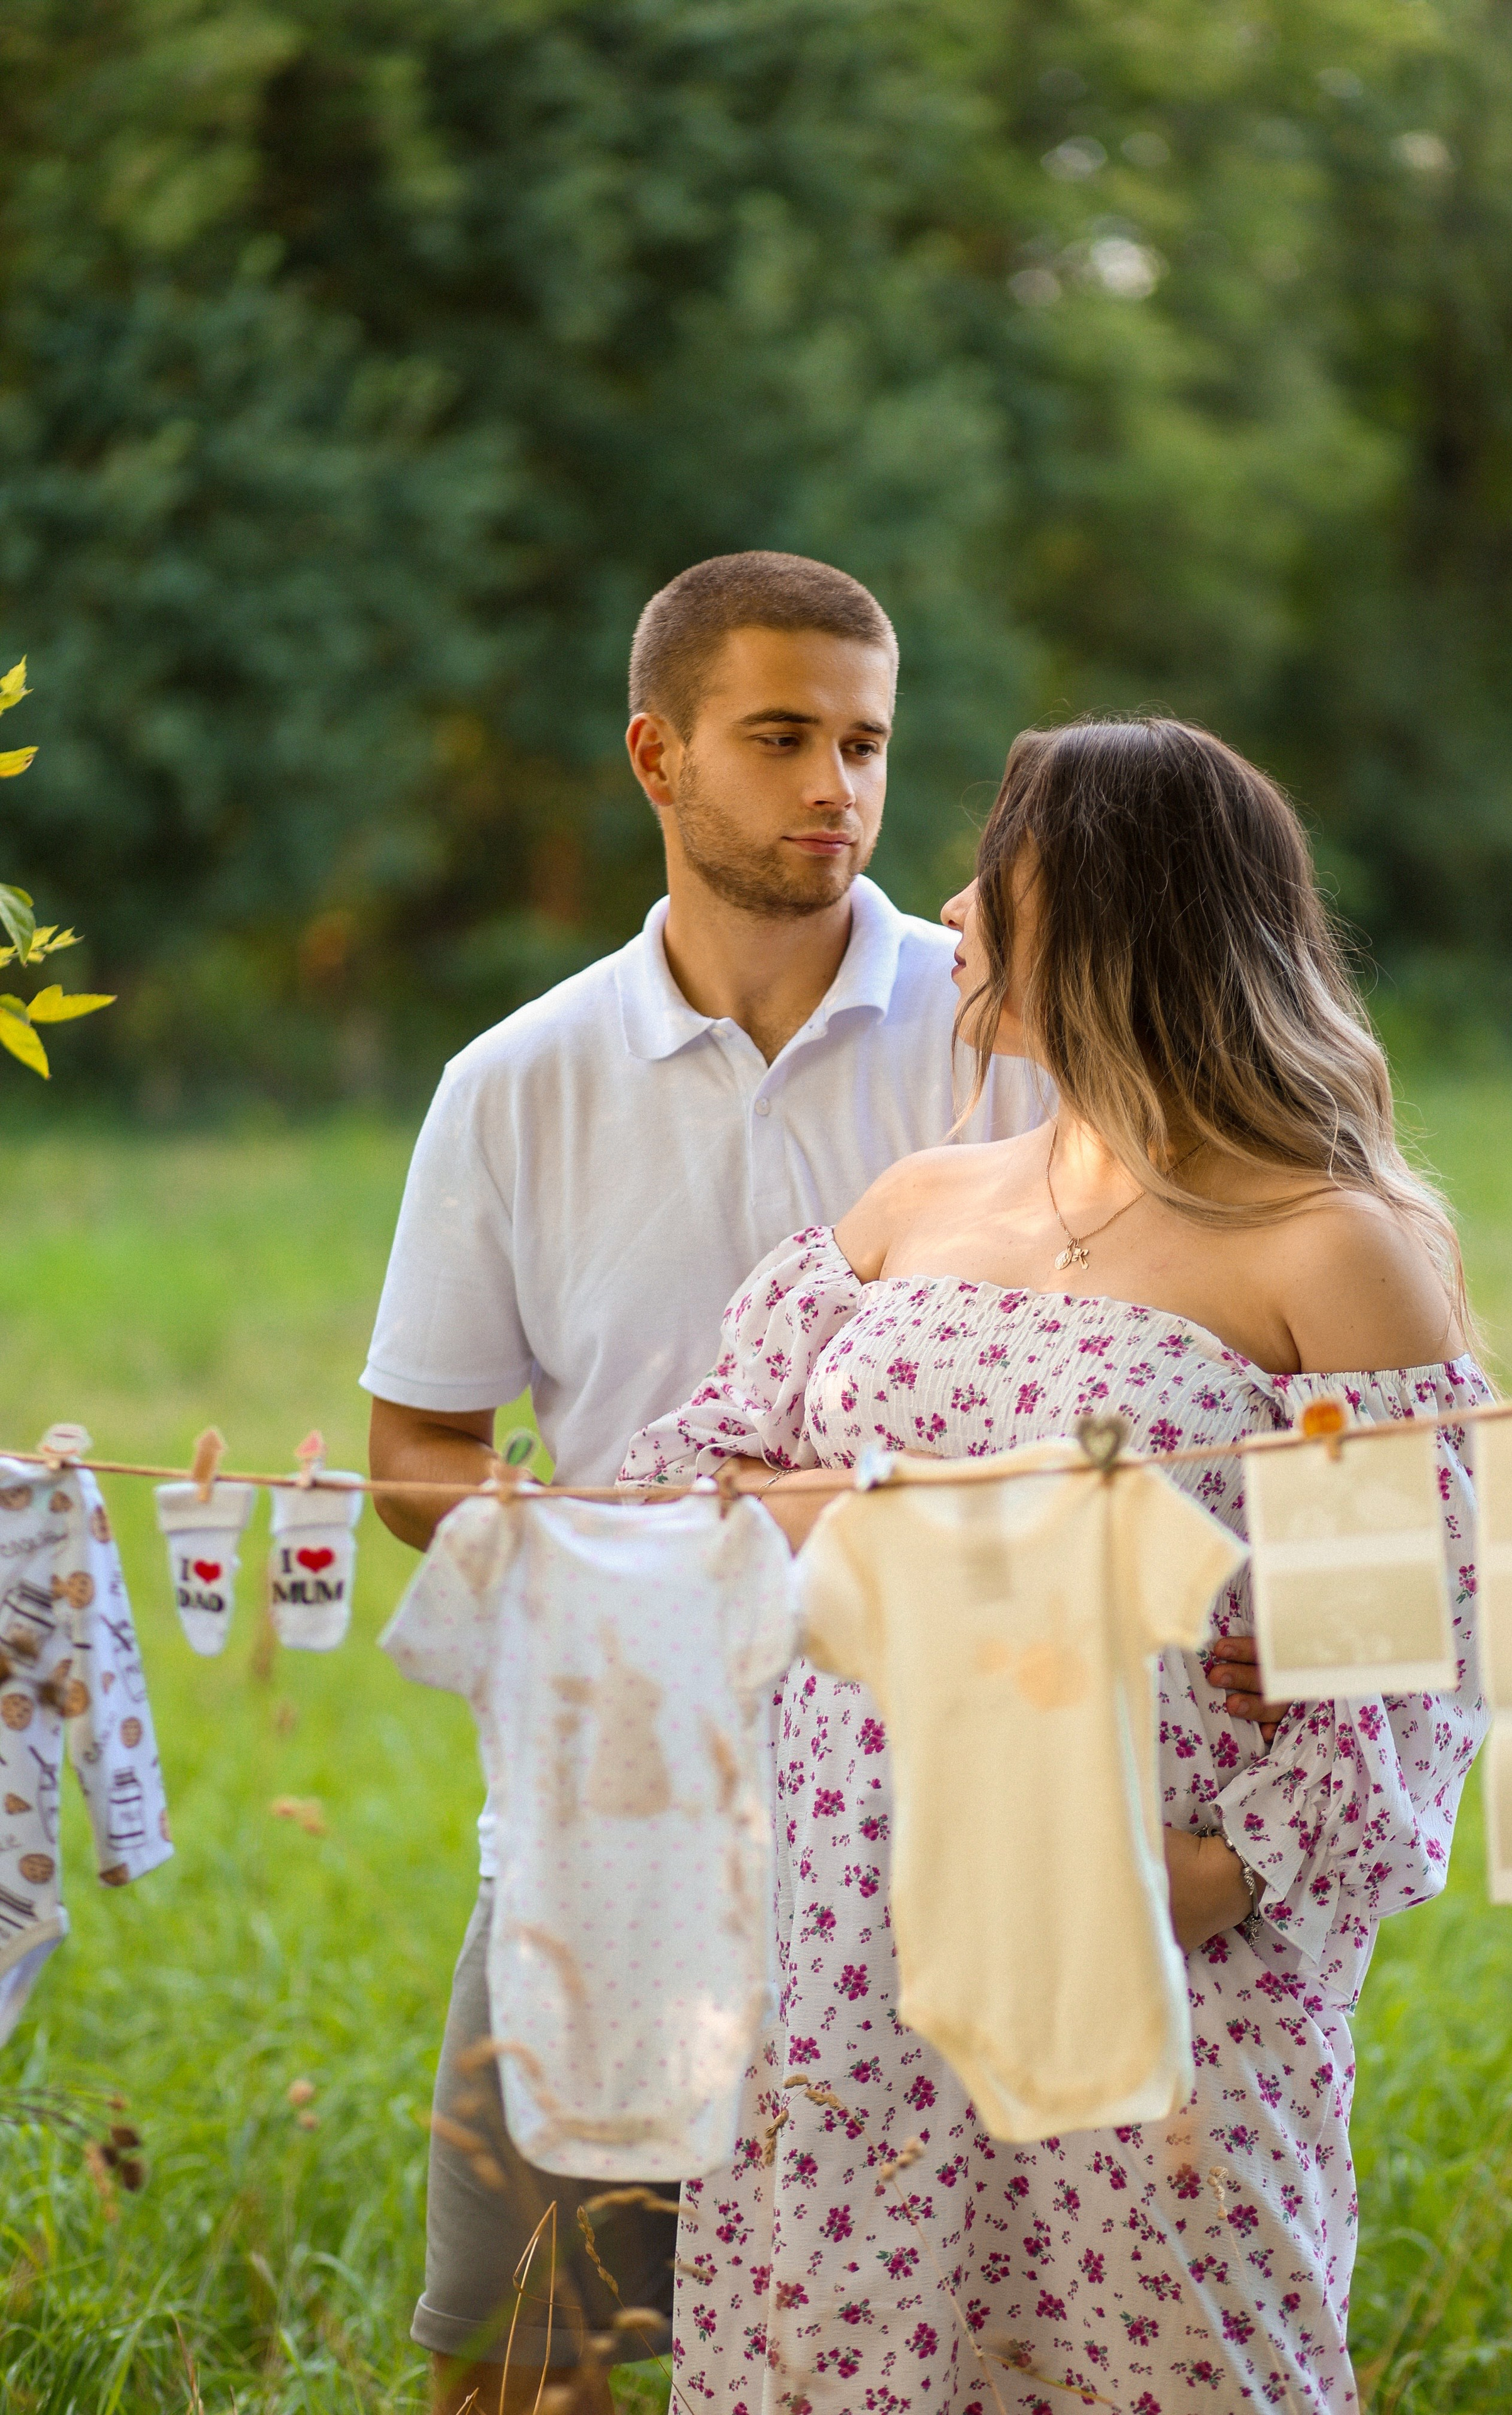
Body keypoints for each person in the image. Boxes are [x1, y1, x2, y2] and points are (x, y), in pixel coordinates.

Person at [364, 555, 1204, 2415]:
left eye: (869, 742)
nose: (840, 785)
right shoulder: (513, 1083)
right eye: (782, 738)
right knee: (536, 2348)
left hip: (955, 1793)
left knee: (927, 2349)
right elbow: (411, 1456)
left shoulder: (1008, 1025)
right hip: (621, 1788)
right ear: (660, 757)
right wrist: (604, 1539)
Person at [622, 716, 1491, 2412]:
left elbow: (1413, 1654)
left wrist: (1216, 1874)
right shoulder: (919, 1200)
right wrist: (854, 1511)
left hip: (1155, 1953)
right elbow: (690, 1482)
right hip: (844, 1938)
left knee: (1159, 2360)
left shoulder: (1331, 1244)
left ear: (1099, 908)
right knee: (846, 2351)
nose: (949, 902)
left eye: (995, 861)